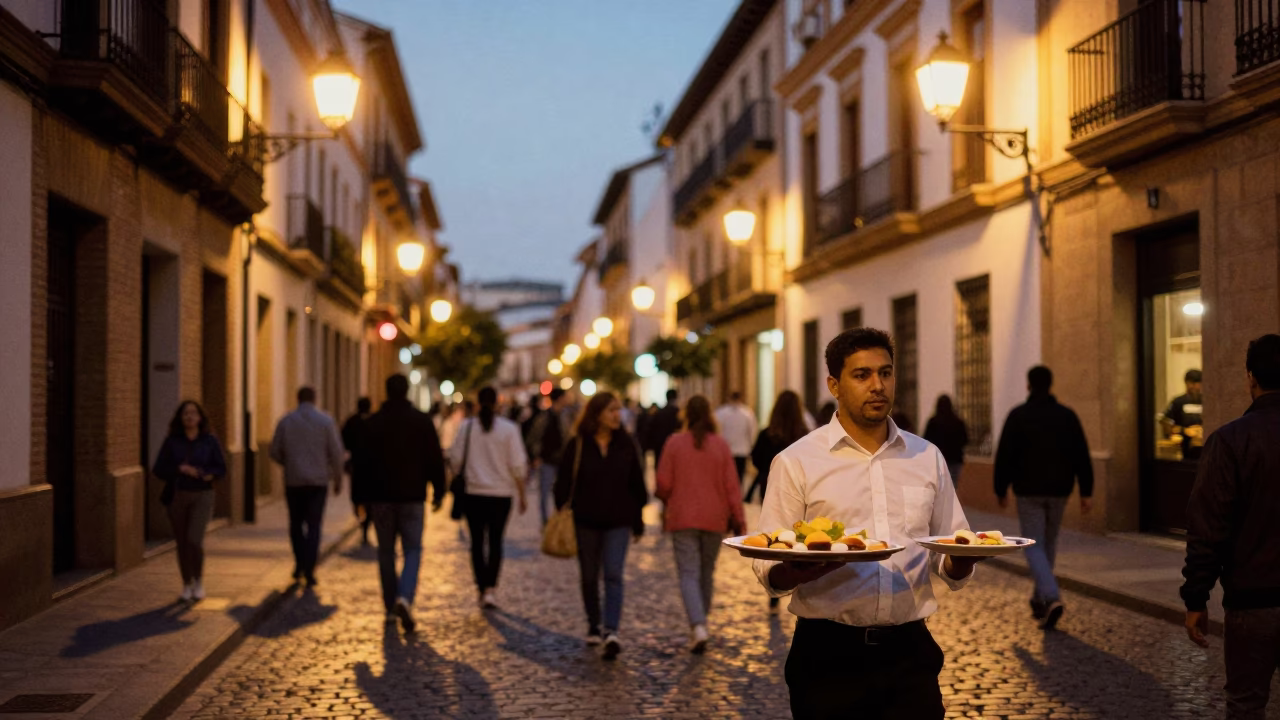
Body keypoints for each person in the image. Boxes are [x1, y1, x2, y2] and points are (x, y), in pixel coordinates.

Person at [754, 328, 980, 719]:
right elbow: (767, 564)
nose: (878, 385)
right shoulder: (797, 461)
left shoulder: (926, 457)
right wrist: (796, 571)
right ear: (834, 385)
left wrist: (964, 559)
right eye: (862, 375)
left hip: (910, 654)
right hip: (827, 656)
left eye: (886, 373)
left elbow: (949, 551)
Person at [1181, 335, 1280, 719]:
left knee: (1246, 704)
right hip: (1253, 599)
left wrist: (1196, 598)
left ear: (1250, 379)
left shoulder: (1230, 441)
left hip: (1253, 603)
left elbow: (1207, 528)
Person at [994, 365, 1094, 630]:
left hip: (1028, 491)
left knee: (1033, 546)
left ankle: (1050, 596)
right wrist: (1087, 490)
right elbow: (1081, 453)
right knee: (1048, 543)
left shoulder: (1018, 416)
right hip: (1060, 490)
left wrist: (1000, 488)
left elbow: (1005, 454)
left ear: (1028, 385)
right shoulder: (1066, 416)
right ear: (1050, 385)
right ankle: (1040, 599)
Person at [554, 392, 647, 660]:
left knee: (614, 574)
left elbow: (636, 484)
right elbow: (562, 481)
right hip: (586, 521)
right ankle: (593, 623)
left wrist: (638, 521)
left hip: (619, 521)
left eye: (618, 410)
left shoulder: (626, 442)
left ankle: (611, 630)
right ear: (596, 415)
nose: (617, 415)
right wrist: (560, 505)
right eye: (611, 411)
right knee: (588, 576)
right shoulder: (578, 443)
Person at [656, 395, 746, 653]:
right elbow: (732, 487)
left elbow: (663, 483)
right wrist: (739, 519)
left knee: (688, 573)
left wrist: (669, 497)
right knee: (706, 573)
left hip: (683, 517)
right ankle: (701, 623)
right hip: (714, 519)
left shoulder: (674, 443)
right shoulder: (720, 445)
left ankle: (698, 626)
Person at [365, 374, 446, 634]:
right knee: (412, 550)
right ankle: (405, 597)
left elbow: (362, 463)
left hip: (381, 497)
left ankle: (390, 606)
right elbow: (435, 458)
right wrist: (440, 491)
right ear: (407, 391)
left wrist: (359, 498)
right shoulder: (421, 421)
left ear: (386, 391)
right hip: (412, 496)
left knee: (386, 552)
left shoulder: (374, 423)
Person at [447, 387, 528, 609]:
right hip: (501, 495)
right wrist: (521, 494)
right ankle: (491, 588)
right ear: (498, 402)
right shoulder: (509, 430)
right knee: (495, 541)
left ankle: (481, 586)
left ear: (477, 402)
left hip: (473, 494)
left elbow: (454, 459)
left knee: (476, 542)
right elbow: (518, 465)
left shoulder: (467, 427)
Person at [152, 400, 227, 602]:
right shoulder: (172, 441)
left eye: (193, 413)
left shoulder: (209, 440)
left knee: (194, 540)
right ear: (180, 417)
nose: (190, 417)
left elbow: (221, 468)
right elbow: (158, 469)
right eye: (186, 413)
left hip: (202, 495)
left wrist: (207, 473)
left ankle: (199, 581)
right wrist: (179, 469)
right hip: (178, 495)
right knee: (182, 542)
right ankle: (187, 584)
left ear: (200, 418)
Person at [269, 387, 345, 586]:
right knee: (314, 525)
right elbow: (336, 453)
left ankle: (299, 563)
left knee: (295, 524)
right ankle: (310, 568)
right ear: (314, 399)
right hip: (318, 483)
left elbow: (274, 451)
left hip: (294, 482)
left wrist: (290, 463)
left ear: (298, 398)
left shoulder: (286, 421)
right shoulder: (326, 421)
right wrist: (338, 479)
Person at [526, 388, 573, 527]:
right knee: (545, 492)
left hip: (562, 461)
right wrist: (535, 456)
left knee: (562, 491)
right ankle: (546, 522)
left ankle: (559, 519)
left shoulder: (566, 416)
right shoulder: (544, 417)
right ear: (560, 398)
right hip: (547, 461)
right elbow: (533, 438)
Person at [341, 397, 375, 546]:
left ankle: (362, 522)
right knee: (369, 499)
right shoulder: (374, 422)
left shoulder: (352, 421)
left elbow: (343, 441)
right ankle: (365, 524)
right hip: (370, 469)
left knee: (357, 497)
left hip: (357, 467)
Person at [714, 391, 757, 488]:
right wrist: (751, 445)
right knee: (739, 476)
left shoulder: (721, 413)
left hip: (725, 450)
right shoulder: (747, 414)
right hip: (742, 450)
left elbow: (717, 432)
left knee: (726, 476)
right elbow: (752, 432)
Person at [923, 395, 969, 485]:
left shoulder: (933, 422)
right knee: (952, 486)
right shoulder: (958, 422)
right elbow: (965, 440)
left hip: (937, 460)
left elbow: (926, 441)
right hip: (955, 460)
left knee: (939, 487)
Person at [1162, 368, 1205, 460]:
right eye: (1193, 384)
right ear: (1187, 384)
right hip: (1186, 448)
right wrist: (1185, 431)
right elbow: (1167, 424)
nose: (1196, 387)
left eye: (1199, 384)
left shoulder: (1206, 401)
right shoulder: (1178, 402)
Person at [647, 389, 682, 468]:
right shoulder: (679, 414)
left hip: (660, 448)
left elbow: (652, 430)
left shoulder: (659, 413)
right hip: (675, 450)